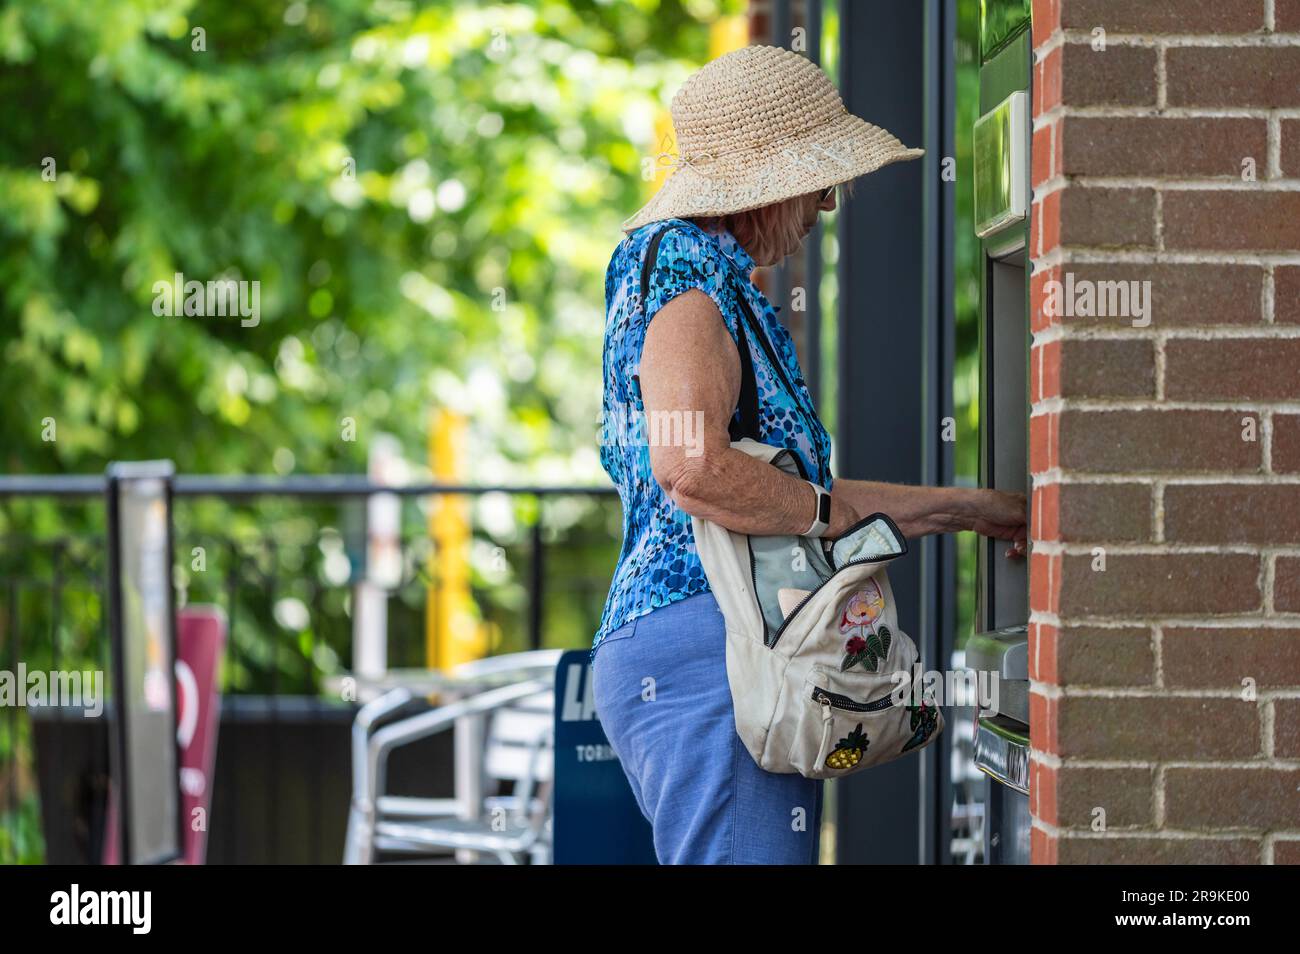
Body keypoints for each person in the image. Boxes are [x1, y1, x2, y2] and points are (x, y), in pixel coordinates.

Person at [590, 45, 1027, 865]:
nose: (828, 204)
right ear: (764, 185)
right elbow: (689, 467)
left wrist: (977, 510)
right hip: (711, 650)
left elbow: (799, 493)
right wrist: (826, 518)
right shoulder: (684, 274)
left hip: (720, 645)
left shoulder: (708, 279)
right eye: (820, 181)